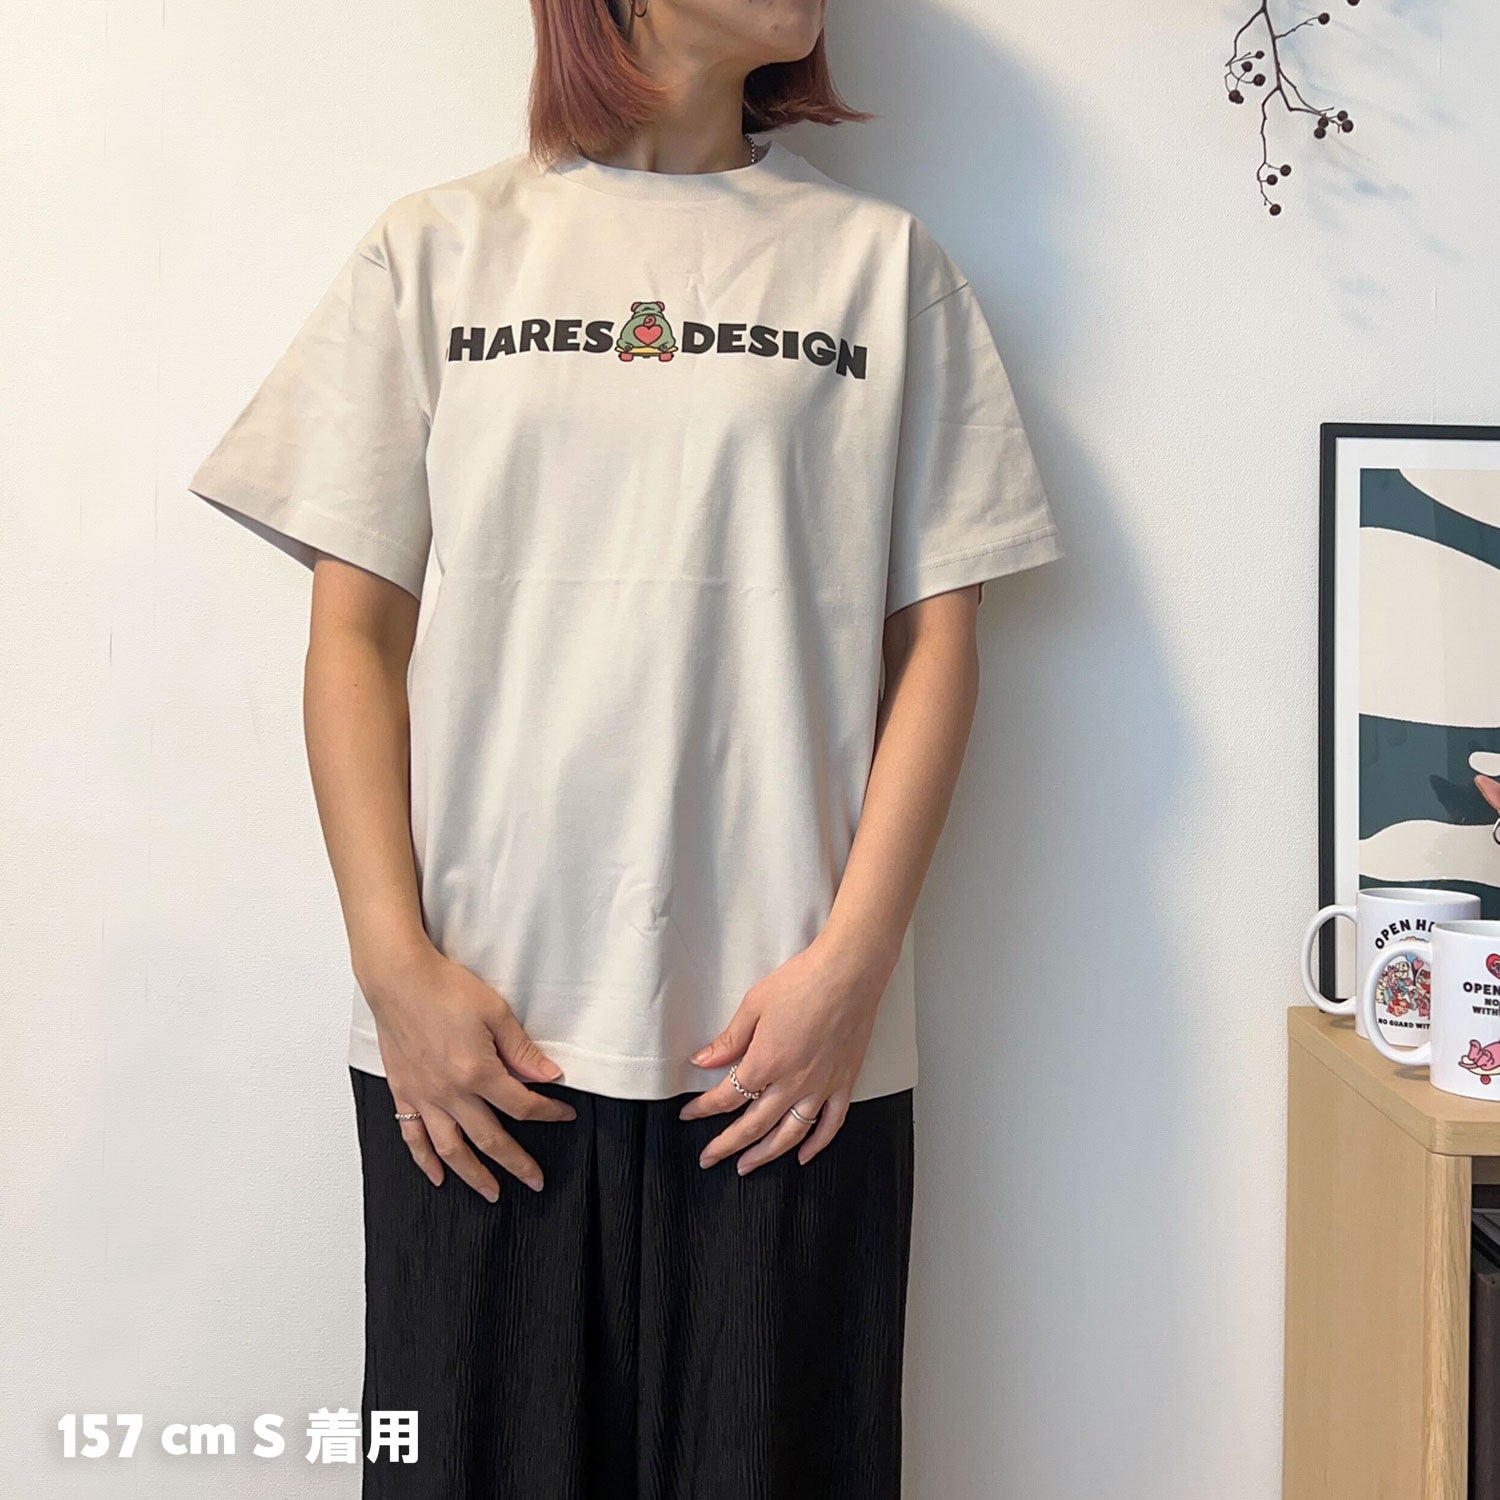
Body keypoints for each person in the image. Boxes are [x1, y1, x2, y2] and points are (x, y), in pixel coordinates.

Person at [187, 1, 1064, 1494]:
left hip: (785, 1057)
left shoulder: (882, 268)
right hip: (477, 1044)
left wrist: (852, 970)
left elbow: (939, 645)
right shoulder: (439, 249)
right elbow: (354, 640)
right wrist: (395, 970)